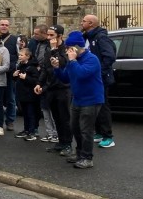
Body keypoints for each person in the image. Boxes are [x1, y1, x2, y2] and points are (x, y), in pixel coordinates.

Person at [53, 31, 104, 169]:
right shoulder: (73, 61)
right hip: (77, 99)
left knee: (86, 130)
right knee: (75, 128)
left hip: (91, 100)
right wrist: (57, 68)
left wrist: (73, 61)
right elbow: (65, 78)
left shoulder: (91, 59)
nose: (67, 51)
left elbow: (81, 74)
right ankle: (80, 153)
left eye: (69, 48)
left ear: (76, 48)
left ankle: (87, 158)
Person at [34, 25, 73, 155]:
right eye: (48, 35)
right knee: (56, 116)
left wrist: (55, 49)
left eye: (52, 35)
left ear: (60, 36)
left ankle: (68, 144)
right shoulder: (48, 50)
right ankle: (61, 142)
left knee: (64, 117)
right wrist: (39, 83)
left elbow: (62, 63)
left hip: (63, 88)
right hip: (51, 88)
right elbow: (45, 68)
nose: (49, 38)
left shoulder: (66, 49)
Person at [80, 14, 117, 148]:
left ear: (91, 23)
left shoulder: (101, 38)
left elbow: (109, 57)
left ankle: (108, 136)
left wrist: (99, 73)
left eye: (84, 21)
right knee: (93, 106)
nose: (81, 23)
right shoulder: (86, 37)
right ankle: (99, 132)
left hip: (100, 79)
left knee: (102, 107)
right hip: (89, 78)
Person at [13, 48, 41, 141]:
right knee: (25, 113)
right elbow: (18, 79)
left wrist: (26, 78)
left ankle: (32, 132)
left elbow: (36, 81)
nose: (19, 57)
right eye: (19, 55)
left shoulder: (32, 67)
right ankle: (26, 130)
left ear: (28, 56)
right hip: (22, 94)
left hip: (30, 95)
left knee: (31, 113)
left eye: (21, 55)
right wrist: (14, 76)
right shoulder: (20, 66)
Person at [0, 19, 19, 131]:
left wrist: (13, 67)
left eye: (6, 25)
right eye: (2, 24)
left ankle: (10, 121)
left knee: (10, 98)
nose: (4, 26)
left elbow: (19, 56)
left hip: (9, 74)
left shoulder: (14, 39)